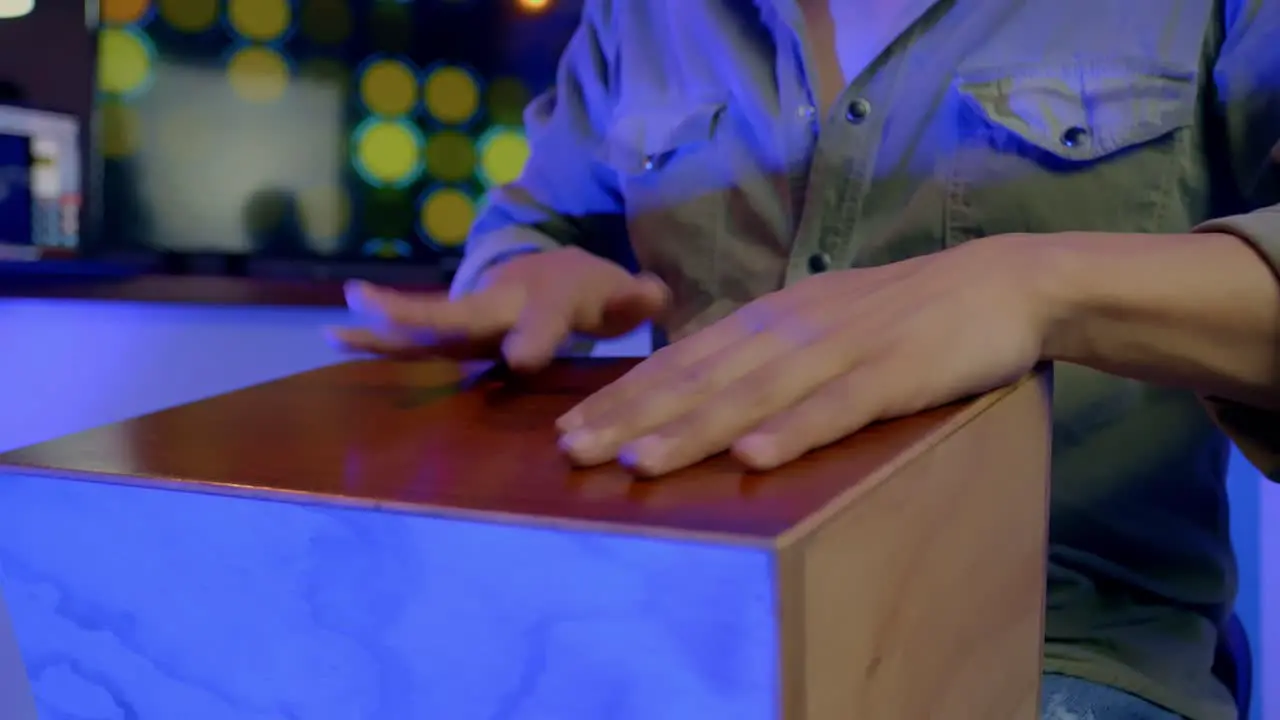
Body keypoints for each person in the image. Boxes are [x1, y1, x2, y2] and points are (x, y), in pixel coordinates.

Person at [331, 1, 1280, 717]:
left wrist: (1037, 287)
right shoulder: (644, 17)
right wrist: (528, 272)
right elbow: (530, 219)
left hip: (1052, 645)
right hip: (675, 625)